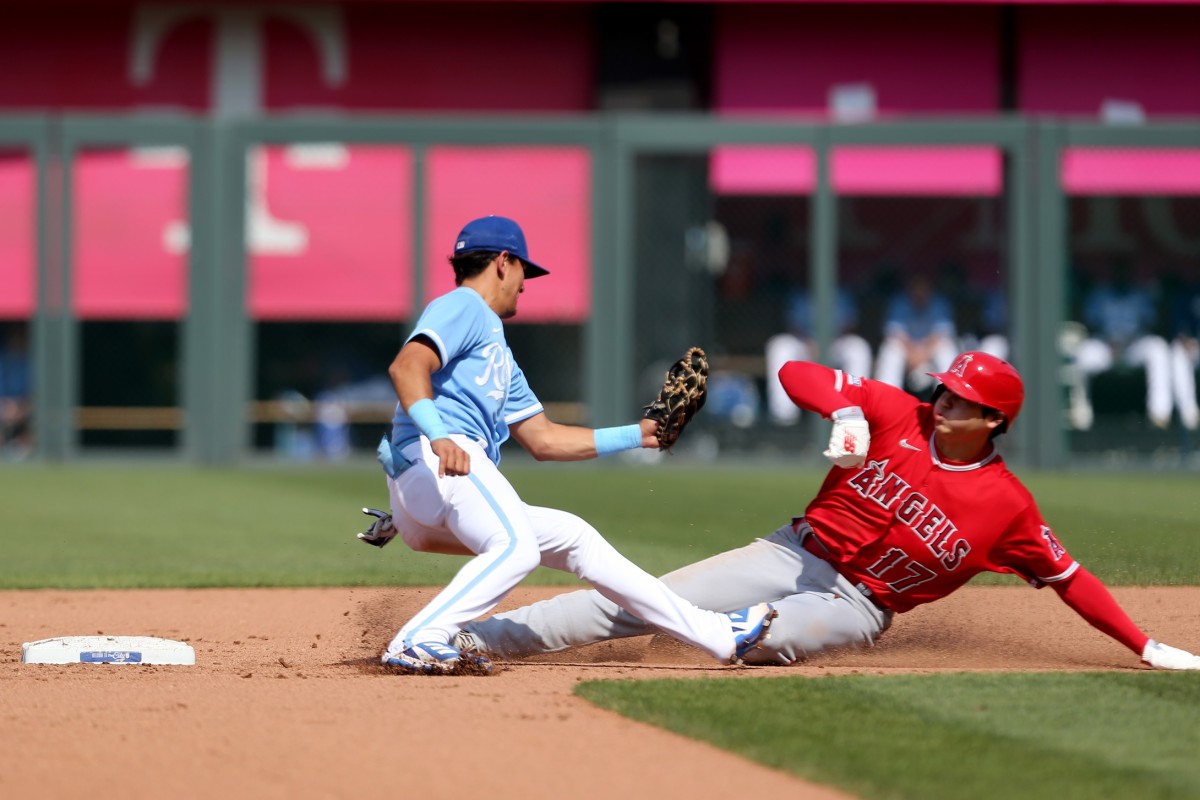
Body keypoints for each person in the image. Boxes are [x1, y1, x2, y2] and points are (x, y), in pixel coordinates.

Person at [447, 351, 1200, 672]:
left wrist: (1142, 644)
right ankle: (470, 640)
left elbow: (1071, 579)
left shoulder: (1008, 509)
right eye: (940, 390)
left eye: (959, 400)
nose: (940, 401)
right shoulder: (895, 412)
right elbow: (795, 371)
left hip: (859, 605)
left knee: (762, 639)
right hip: (792, 551)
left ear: (994, 421)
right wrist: (842, 407)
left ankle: (717, 640)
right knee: (635, 598)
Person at [360, 215, 774, 674]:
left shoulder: (499, 355)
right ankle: (419, 637)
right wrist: (437, 437)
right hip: (442, 460)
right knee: (516, 547)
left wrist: (639, 435)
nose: (524, 285)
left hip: (432, 484)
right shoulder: (464, 306)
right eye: (523, 272)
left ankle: (718, 635)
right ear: (503, 262)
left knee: (575, 537)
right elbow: (406, 367)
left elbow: (544, 439)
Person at [1071, 259, 1173, 431]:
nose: (1121, 276)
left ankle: (1159, 414)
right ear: (1113, 273)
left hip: (1133, 345)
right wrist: (1108, 340)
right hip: (1106, 345)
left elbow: (1151, 323)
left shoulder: (1139, 294)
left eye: (1125, 272)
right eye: (1118, 271)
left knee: (1158, 348)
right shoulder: (1100, 294)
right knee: (1083, 354)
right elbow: (1089, 323)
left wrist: (1131, 339)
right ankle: (1081, 413)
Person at [764, 285, 872, 425]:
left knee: (858, 348)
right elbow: (792, 326)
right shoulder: (799, 296)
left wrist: (827, 342)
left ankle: (854, 414)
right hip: (804, 345)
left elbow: (850, 325)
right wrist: (809, 342)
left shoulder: (842, 295)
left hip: (835, 343)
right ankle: (784, 416)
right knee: (780, 346)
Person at [873, 273, 957, 393]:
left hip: (930, 350)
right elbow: (894, 332)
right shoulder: (899, 301)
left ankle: (946, 397)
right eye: (916, 287)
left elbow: (941, 333)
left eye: (923, 287)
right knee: (891, 349)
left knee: (946, 348)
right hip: (906, 349)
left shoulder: (939, 302)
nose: (919, 291)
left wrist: (922, 354)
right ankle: (887, 397)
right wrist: (913, 353)